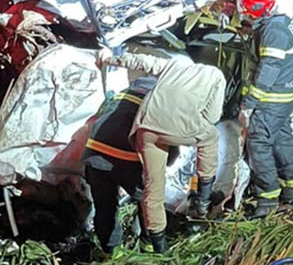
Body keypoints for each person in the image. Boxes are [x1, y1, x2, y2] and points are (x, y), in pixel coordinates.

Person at [98, 49, 226, 253]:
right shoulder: (216, 75)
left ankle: (160, 248)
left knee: (153, 187)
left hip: (146, 127)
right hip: (177, 127)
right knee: (210, 137)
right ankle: (203, 199)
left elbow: (141, 62)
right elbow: (212, 116)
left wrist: (110, 59)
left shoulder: (173, 65)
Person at [237, 0, 293, 217]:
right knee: (282, 138)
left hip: (270, 98)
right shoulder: (286, 15)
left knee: (259, 144)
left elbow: (269, 67)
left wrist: (251, 101)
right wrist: (252, 31)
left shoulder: (273, 30)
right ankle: (292, 189)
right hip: (285, 96)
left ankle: (267, 198)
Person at [82, 77, 155, 254]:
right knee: (149, 200)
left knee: (104, 208)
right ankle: (150, 246)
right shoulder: (155, 104)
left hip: (94, 156)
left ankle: (112, 252)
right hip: (126, 160)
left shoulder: (118, 97)